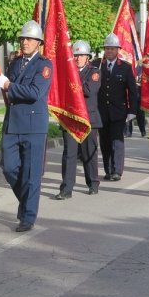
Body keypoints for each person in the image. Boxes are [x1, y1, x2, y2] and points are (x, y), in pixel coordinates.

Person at [0, 20, 52, 232]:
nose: (24, 42)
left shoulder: (44, 65)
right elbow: (10, 91)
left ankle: (28, 216)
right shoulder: (15, 63)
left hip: (34, 125)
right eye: (22, 39)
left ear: (39, 42)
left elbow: (35, 92)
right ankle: (26, 201)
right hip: (13, 123)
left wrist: (9, 85)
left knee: (31, 173)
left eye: (29, 39)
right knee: (9, 168)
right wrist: (4, 85)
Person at [55, 40, 102, 198]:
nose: (78, 58)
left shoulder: (95, 72)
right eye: (75, 55)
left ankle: (93, 182)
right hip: (70, 119)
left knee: (89, 153)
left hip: (88, 119)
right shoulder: (67, 71)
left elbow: (89, 90)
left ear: (88, 57)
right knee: (69, 154)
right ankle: (66, 188)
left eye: (81, 55)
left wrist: (72, 82)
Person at [97, 33, 138, 181]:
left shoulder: (125, 68)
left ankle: (117, 170)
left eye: (112, 48)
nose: (109, 51)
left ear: (118, 50)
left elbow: (132, 91)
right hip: (101, 111)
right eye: (107, 48)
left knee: (117, 141)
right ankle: (108, 170)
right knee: (104, 141)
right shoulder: (97, 65)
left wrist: (133, 110)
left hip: (118, 111)